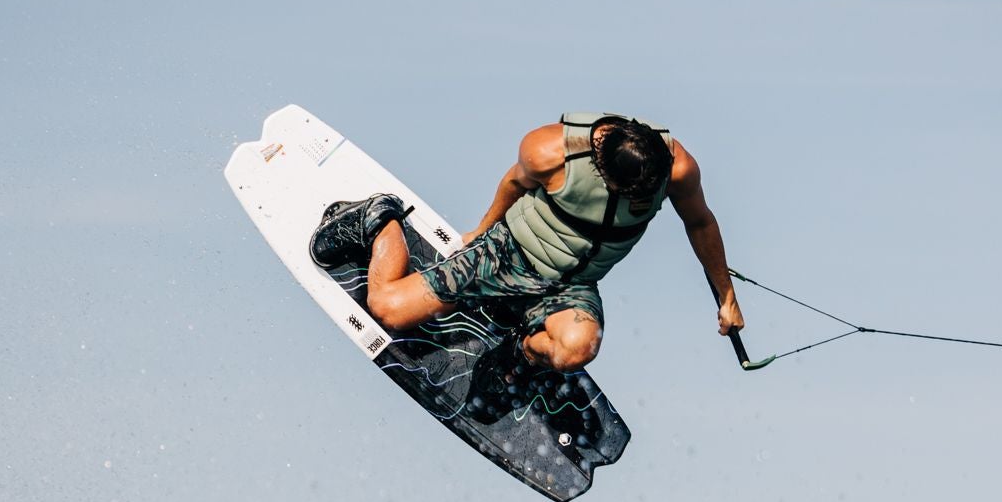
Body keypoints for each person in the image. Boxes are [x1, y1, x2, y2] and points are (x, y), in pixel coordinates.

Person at [309, 112, 745, 381]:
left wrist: (727, 297)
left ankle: (518, 349)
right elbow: (513, 183)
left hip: (571, 287)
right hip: (505, 255)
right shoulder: (550, 150)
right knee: (387, 309)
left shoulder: (678, 167)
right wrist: (483, 230)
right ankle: (378, 222)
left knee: (578, 349)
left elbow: (700, 222)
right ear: (600, 163)